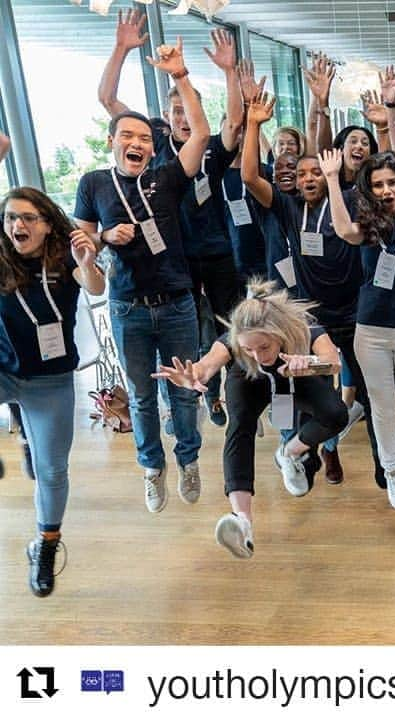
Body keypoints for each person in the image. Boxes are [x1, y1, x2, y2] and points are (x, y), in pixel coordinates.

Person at [75, 37, 210, 513]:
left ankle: (189, 459)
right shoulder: (92, 183)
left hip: (176, 303)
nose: (137, 144)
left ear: (153, 149)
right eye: (127, 137)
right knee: (140, 397)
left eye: (145, 140)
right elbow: (84, 245)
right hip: (127, 306)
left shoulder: (167, 177)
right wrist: (104, 240)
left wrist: (180, 76)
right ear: (113, 141)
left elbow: (199, 134)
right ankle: (152, 469)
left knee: (184, 388)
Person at [99, 14, 245, 428]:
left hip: (215, 253)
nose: (182, 117)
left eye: (188, 109)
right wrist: (122, 49)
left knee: (223, 328)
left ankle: (225, 393)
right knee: (188, 333)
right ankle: (194, 395)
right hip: (171, 263)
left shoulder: (212, 149)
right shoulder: (153, 145)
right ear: (165, 113)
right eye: (175, 110)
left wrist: (230, 71)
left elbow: (235, 121)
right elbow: (109, 102)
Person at [241, 89, 382, 490]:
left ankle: (381, 464)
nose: (307, 178)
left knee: (367, 392)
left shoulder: (349, 199)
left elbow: (365, 168)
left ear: (328, 173)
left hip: (354, 313)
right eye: (301, 174)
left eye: (315, 172)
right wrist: (253, 124)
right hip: (310, 319)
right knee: (306, 392)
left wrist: (322, 105)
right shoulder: (286, 206)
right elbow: (250, 176)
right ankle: (309, 456)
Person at [153, 281, 347, 559]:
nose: (257, 354)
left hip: (295, 374)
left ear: (279, 332)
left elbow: (333, 362)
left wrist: (308, 362)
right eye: (248, 349)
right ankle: (242, 521)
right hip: (249, 380)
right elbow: (206, 366)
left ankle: (289, 452)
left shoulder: (303, 328)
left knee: (336, 414)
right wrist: (191, 376)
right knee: (239, 426)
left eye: (264, 347)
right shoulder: (234, 343)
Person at [322, 66, 395, 517]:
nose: (386, 190)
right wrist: (334, 180)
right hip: (369, 330)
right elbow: (342, 229)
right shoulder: (368, 225)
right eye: (378, 185)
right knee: (381, 409)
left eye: (393, 183)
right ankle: (391, 472)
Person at [2, 188, 106, 595]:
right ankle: (24, 428)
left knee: (52, 471)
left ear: (47, 223)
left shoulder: (67, 258)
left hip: (50, 381)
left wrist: (89, 262)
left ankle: (45, 545)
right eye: (11, 218)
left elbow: (95, 288)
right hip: (5, 371)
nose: (18, 226)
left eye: (28, 218)